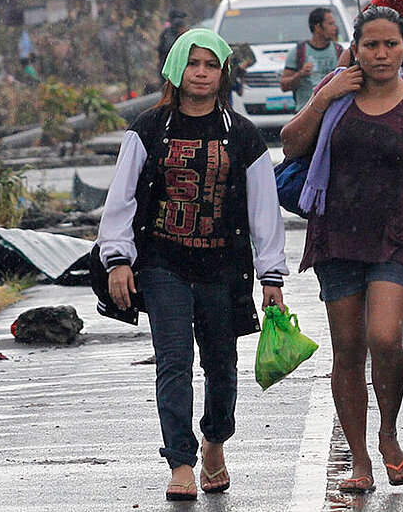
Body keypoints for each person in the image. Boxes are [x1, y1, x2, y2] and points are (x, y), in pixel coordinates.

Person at [96, 28, 289, 501]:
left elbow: (264, 209)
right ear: (175, 69)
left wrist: (272, 275)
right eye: (193, 63)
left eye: (211, 65)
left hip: (225, 268)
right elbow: (120, 200)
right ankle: (181, 461)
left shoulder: (242, 136)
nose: (201, 73)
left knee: (222, 365)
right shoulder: (148, 129)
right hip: (163, 264)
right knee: (174, 362)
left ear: (223, 73)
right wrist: (117, 258)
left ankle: (215, 441)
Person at [281, 5, 403, 494]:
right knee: (348, 352)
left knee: (383, 338)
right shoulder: (335, 94)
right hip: (335, 237)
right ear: (355, 48)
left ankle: (389, 435)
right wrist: (324, 97)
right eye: (370, 45)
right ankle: (359, 459)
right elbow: (291, 146)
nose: (381, 54)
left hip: (394, 237)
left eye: (390, 44)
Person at [280, 7, 344, 111]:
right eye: (330, 24)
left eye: (334, 24)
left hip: (333, 112)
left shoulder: (339, 51)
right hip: (306, 112)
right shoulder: (298, 52)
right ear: (318, 27)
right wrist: (300, 74)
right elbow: (284, 86)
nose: (335, 28)